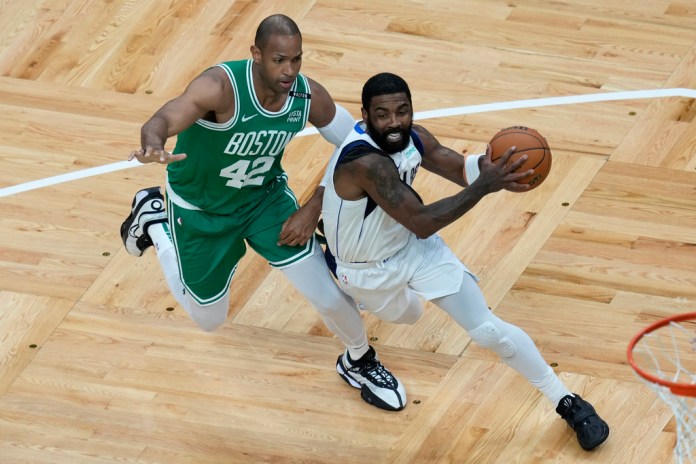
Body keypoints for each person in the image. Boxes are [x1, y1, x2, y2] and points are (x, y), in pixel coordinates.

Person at [119, 15, 406, 411]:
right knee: (209, 320)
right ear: (256, 55)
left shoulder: (307, 97)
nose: (289, 71)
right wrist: (153, 143)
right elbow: (167, 116)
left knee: (327, 295)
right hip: (202, 211)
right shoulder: (220, 87)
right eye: (279, 60)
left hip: (264, 202)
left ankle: (359, 358)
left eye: (296, 60)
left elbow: (359, 145)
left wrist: (314, 204)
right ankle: (156, 223)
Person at [320, 72, 610, 450]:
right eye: (382, 114)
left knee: (487, 329)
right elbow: (423, 221)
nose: (394, 123)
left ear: (410, 109)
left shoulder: (414, 137)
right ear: (365, 115)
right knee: (407, 316)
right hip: (368, 269)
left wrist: (495, 168)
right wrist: (484, 187)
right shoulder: (366, 163)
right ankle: (342, 299)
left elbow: (458, 168)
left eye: (402, 111)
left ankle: (567, 401)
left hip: (412, 249)